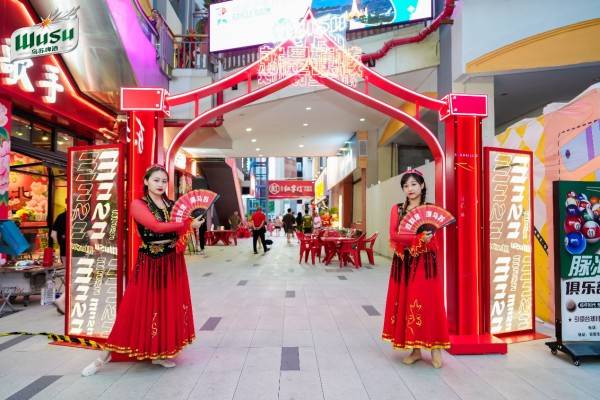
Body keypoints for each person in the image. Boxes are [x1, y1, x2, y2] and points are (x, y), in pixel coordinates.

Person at [81, 165, 204, 376]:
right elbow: (155, 226)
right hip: (149, 263)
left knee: (167, 306)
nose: (161, 184)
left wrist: (189, 226)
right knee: (133, 307)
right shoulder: (138, 205)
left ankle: (159, 353)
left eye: (164, 181)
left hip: (172, 262)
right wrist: (185, 224)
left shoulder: (171, 204)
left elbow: (178, 232)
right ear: (146, 181)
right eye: (156, 180)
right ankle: (104, 357)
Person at [382, 170, 449, 369]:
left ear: (421, 186)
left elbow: (433, 241)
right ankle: (416, 350)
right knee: (407, 303)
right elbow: (394, 235)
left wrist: (425, 241)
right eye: (405, 186)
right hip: (404, 263)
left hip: (425, 264)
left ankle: (436, 348)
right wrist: (417, 238)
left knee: (430, 303)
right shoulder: (397, 210)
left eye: (413, 184)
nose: (409, 189)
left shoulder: (429, 211)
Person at [50, 205, 67, 314]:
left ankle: (70, 302)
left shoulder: (60, 216)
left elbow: (53, 234)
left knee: (68, 274)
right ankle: (61, 300)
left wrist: (61, 244)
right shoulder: (80, 216)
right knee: (76, 279)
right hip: (78, 252)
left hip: (64, 251)